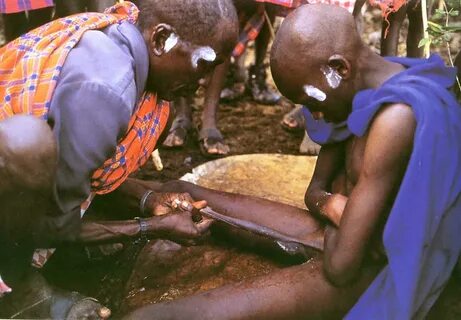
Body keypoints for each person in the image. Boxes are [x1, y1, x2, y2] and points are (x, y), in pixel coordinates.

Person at [124, 4, 461, 319]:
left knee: (184, 314)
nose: (313, 115)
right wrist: (335, 207)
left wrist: (339, 216)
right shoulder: (348, 90)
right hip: (342, 235)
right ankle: (98, 194)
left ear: (338, 68)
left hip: (375, 270)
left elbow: (341, 266)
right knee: (180, 190)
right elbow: (314, 192)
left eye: (309, 101)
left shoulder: (396, 118)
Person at [0, 0, 238, 318]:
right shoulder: (106, 90)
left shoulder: (120, 33)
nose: (203, 82)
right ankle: (17, 293)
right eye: (204, 64)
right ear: (160, 39)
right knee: (27, 147)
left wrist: (150, 199)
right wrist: (151, 227)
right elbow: (49, 227)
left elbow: (85, 172)